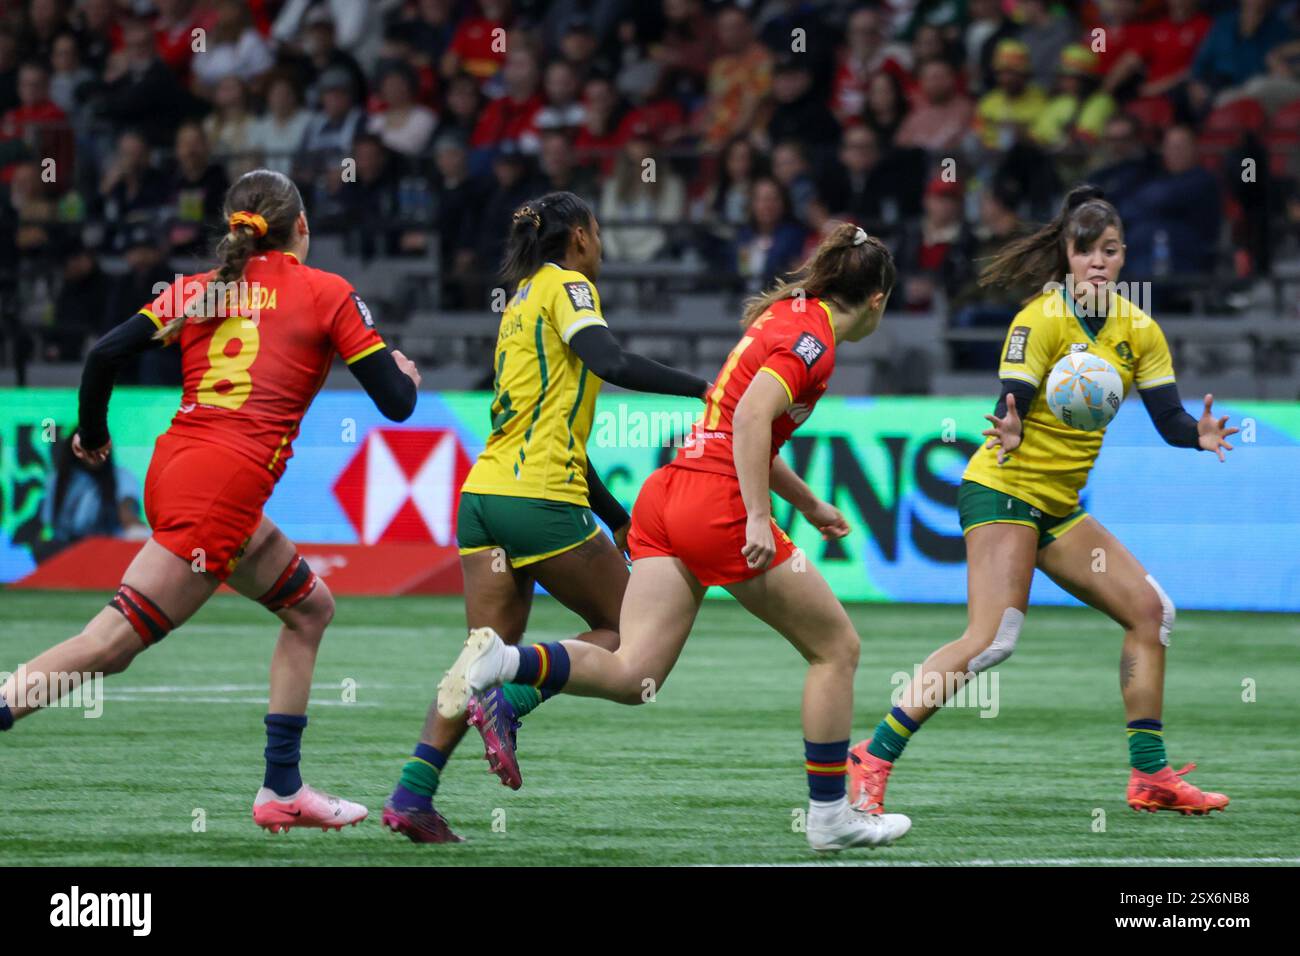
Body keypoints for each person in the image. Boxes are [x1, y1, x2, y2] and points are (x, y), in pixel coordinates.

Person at [434, 223, 914, 853]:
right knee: (837, 650)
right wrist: (759, 518)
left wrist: (812, 503)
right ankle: (830, 815)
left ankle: (506, 661)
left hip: (668, 497)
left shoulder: (789, 314)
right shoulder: (813, 341)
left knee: (635, 674)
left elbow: (742, 426)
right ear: (876, 299)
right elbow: (747, 420)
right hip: (714, 505)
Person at [0, 169, 422, 835]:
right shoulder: (328, 293)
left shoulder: (197, 290)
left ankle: (283, 787)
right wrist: (400, 371)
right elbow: (396, 407)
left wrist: (93, 433)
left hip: (179, 468)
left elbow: (104, 354)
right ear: (302, 229)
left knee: (310, 608)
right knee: (109, 644)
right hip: (220, 493)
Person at [847, 186, 1237, 820]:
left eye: (1110, 251)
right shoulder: (1040, 319)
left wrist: (1199, 435)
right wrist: (1011, 423)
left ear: (1123, 256)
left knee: (1151, 612)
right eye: (1087, 252)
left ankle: (1150, 776)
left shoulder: (1139, 330)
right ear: (1069, 255)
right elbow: (1014, 396)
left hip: (1056, 506)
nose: (1099, 262)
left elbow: (1168, 419)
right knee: (993, 638)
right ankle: (874, 753)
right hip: (1002, 487)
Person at [382, 191, 713, 844]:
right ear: (582, 235)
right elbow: (610, 362)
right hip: (539, 498)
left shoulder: (522, 301)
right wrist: (706, 387)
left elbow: (550, 425)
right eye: (598, 232)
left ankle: (412, 793)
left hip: (484, 501)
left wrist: (616, 518)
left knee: (480, 657)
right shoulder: (569, 287)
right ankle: (514, 696)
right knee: (630, 634)